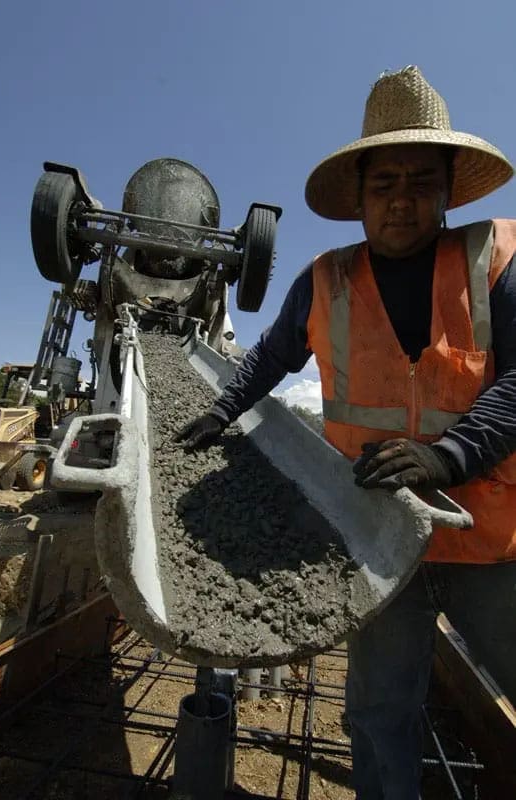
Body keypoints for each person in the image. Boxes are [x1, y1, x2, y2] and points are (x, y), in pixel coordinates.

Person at [175, 66, 516, 798]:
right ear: (358, 198)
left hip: (488, 541)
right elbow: (268, 357)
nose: (401, 199)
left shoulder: (496, 260)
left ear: (446, 190)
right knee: (378, 710)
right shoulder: (325, 280)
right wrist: (220, 410)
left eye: (419, 180)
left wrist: (447, 455)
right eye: (383, 182)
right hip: (371, 541)